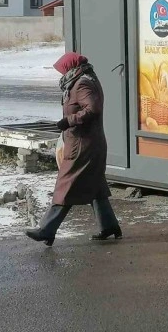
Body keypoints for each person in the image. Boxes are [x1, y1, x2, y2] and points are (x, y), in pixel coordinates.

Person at [25, 52, 122, 246]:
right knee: (95, 186)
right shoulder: (81, 80)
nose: (61, 74)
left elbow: (92, 108)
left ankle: (47, 229)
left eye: (62, 70)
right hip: (86, 143)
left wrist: (69, 120)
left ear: (70, 68)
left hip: (83, 145)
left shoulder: (82, 84)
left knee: (66, 185)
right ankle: (109, 225)